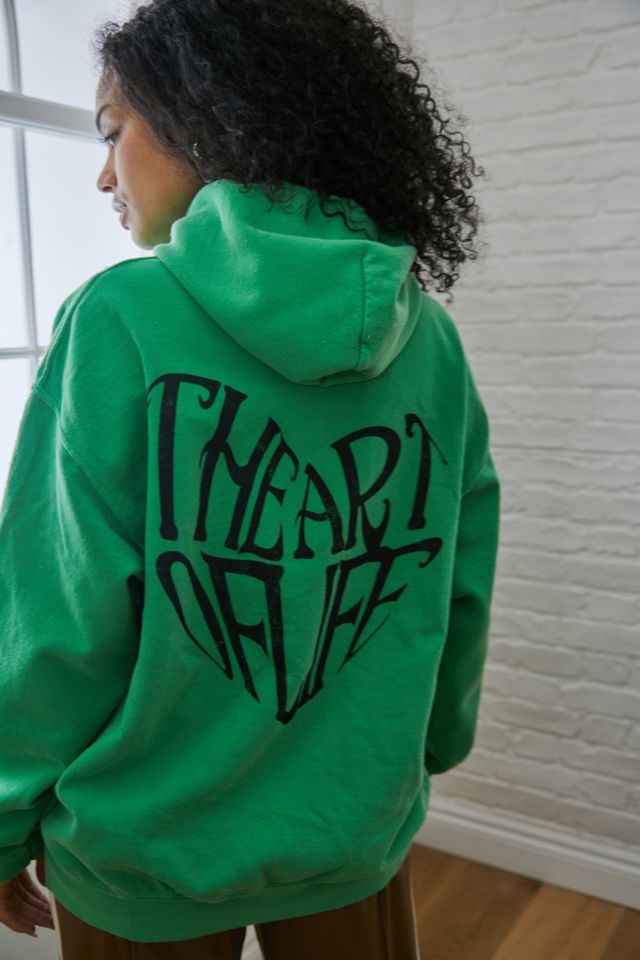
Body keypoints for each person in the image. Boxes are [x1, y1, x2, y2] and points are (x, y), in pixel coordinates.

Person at [0, 0, 501, 956]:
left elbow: (56, 612)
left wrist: (4, 813)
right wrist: (424, 743)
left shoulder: (118, 316)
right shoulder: (425, 331)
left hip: (143, 848)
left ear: (206, 121)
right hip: (351, 819)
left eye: (112, 131)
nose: (103, 174)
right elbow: (458, 571)